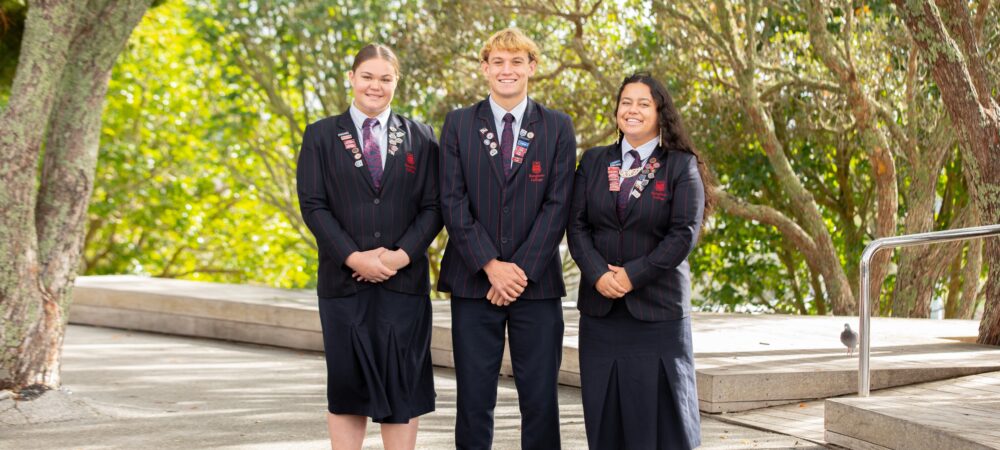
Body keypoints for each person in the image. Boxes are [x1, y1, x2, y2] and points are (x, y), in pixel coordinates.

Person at [296, 43, 442, 450]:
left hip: (403, 284)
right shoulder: (321, 135)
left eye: (385, 78)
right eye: (367, 77)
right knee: (348, 388)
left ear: (396, 82)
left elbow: (434, 206)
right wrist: (353, 256)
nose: (375, 86)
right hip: (344, 285)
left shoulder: (422, 137)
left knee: (402, 387)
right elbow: (313, 204)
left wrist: (398, 256)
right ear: (352, 78)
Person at [437, 28, 576, 450]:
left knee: (540, 401)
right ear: (484, 68)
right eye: (498, 61)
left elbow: (559, 204)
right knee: (474, 400)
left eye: (517, 61)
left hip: (536, 286)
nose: (507, 70)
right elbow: (451, 199)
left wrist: (518, 272)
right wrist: (491, 266)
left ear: (532, 67)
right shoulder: (459, 123)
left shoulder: (557, 126)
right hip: (472, 281)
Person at [566, 72, 714, 449]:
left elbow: (683, 233)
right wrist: (599, 275)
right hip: (601, 316)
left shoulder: (681, 166)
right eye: (626, 103)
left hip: (658, 314)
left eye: (643, 103)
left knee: (666, 423)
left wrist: (632, 276)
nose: (632, 110)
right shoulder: (595, 161)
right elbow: (577, 226)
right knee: (606, 418)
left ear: (660, 112)